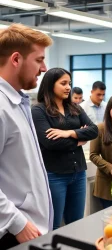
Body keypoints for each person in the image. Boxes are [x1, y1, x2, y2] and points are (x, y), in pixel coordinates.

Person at [0, 24, 53, 249]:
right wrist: (17, 222)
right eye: (39, 60)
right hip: (12, 232)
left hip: (31, 228)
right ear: (16, 59)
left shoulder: (19, 101)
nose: (44, 68)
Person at [32, 68, 98, 230]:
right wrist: (78, 140)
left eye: (69, 83)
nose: (68, 87)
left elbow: (94, 130)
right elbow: (51, 143)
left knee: (76, 222)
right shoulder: (38, 110)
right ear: (50, 85)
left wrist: (69, 132)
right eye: (63, 83)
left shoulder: (75, 108)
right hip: (54, 175)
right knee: (53, 224)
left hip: (79, 173)